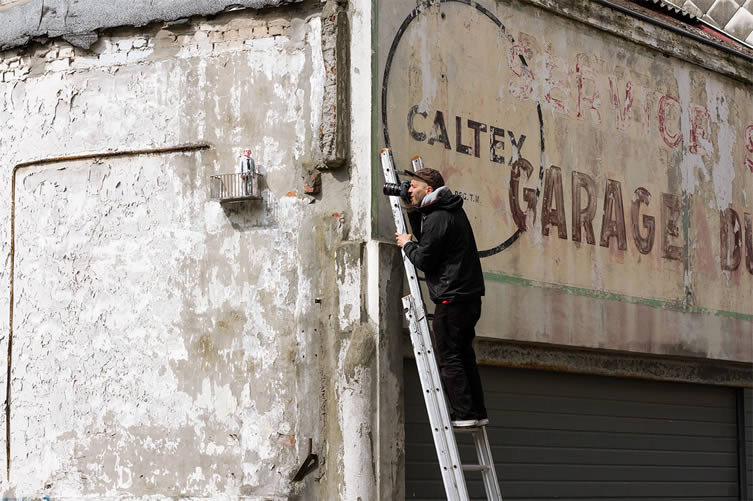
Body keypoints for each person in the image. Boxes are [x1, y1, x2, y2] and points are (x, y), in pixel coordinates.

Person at [395, 167, 488, 428]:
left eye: (414, 186)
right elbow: (430, 240)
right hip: (468, 297)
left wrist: (407, 244)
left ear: (429, 189)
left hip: (451, 297)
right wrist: (413, 211)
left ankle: (464, 413)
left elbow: (424, 258)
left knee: (449, 357)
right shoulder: (450, 210)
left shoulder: (437, 218)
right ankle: (477, 411)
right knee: (464, 354)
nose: (409, 190)